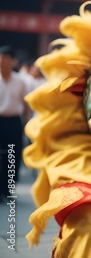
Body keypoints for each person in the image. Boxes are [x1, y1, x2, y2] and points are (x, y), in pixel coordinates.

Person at [0, 45, 29, 200]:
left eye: (6, 59)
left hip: (13, 122)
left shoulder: (20, 81)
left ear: (13, 62)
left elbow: (25, 105)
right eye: (1, 58)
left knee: (12, 156)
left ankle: (8, 189)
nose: (3, 62)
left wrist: (25, 123)